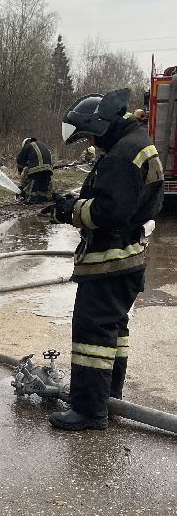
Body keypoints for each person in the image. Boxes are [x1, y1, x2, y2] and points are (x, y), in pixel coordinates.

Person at [43, 89, 163, 430]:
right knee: (113, 332)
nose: (91, 142)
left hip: (109, 265)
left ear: (102, 124)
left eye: (91, 135)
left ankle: (88, 410)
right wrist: (75, 201)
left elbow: (109, 212)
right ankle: (108, 398)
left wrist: (70, 211)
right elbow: (124, 201)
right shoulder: (136, 145)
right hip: (127, 261)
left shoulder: (122, 155)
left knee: (92, 335)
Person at [16, 137, 54, 202]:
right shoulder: (42, 145)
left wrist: (20, 171)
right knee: (43, 186)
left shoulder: (27, 146)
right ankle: (41, 200)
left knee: (33, 186)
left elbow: (20, 159)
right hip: (47, 169)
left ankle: (30, 200)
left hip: (36, 169)